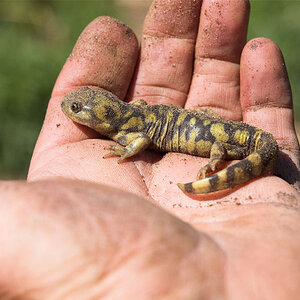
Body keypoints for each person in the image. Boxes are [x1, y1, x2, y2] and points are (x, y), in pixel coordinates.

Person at [1, 0, 299, 298]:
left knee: (221, 142)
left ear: (101, 115)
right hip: (202, 128)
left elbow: (142, 140)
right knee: (217, 134)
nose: (70, 110)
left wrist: (127, 151)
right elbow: (141, 110)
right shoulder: (127, 116)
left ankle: (218, 163)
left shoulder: (126, 127)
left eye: (77, 108)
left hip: (218, 138)